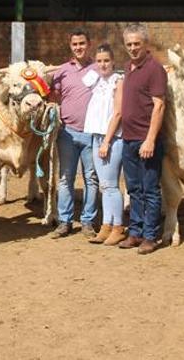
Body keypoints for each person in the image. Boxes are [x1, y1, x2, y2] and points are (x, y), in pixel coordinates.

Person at [118, 24, 167, 255]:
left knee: (150, 189)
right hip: (128, 139)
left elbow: (159, 105)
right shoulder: (129, 67)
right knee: (134, 189)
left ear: (145, 44)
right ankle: (135, 232)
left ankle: (150, 236)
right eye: (129, 44)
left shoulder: (155, 69)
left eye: (137, 43)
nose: (133, 48)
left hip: (146, 140)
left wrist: (150, 140)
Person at [51, 30, 100, 239]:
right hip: (67, 133)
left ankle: (88, 221)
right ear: (70, 46)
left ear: (88, 44)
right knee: (65, 178)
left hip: (91, 133)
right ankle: (65, 221)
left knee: (91, 178)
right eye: (74, 44)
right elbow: (53, 94)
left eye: (82, 43)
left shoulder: (99, 68)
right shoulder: (61, 71)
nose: (78, 47)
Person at [82, 44, 127, 245]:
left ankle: (118, 226)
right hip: (97, 136)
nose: (103, 64)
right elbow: (85, 82)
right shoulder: (97, 81)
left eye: (106, 60)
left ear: (113, 61)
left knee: (110, 185)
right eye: (99, 61)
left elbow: (117, 113)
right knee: (104, 185)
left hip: (112, 138)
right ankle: (106, 225)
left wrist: (107, 141)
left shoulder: (118, 82)